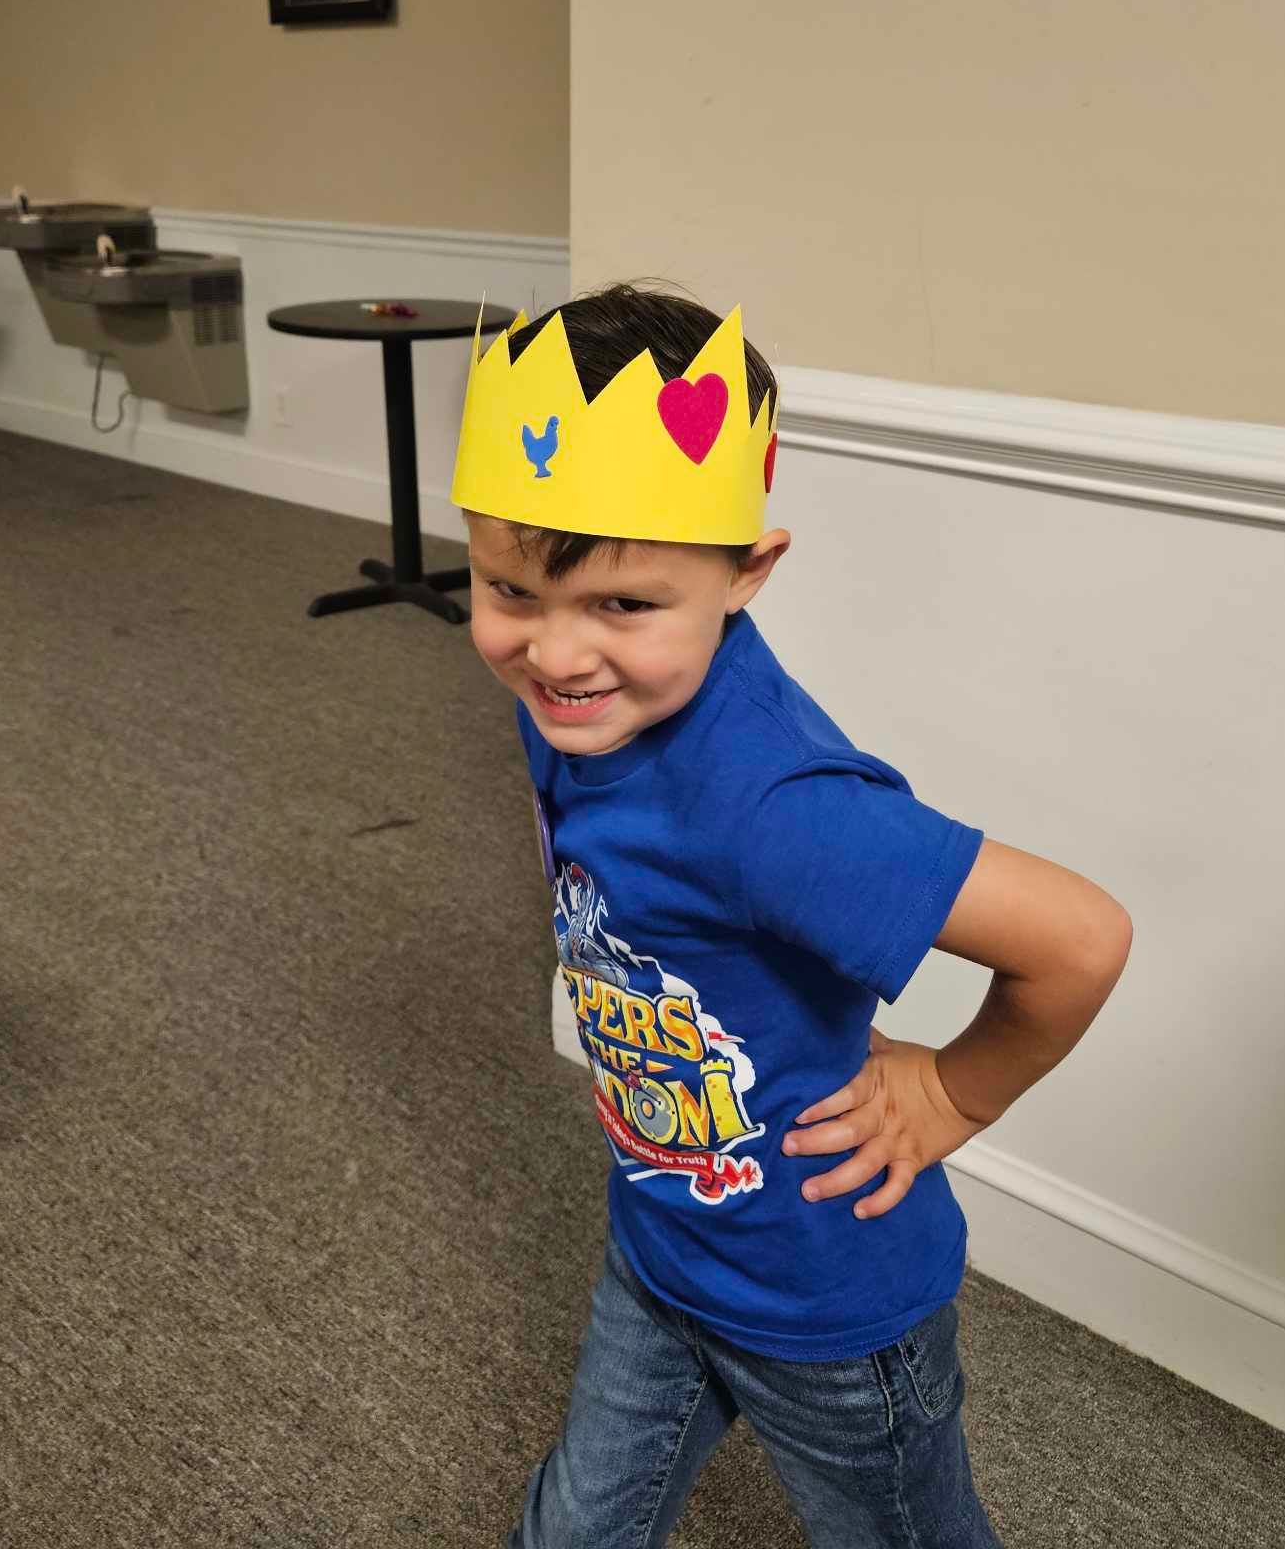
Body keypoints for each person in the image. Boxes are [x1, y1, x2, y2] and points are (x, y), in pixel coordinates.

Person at [449, 281, 1133, 1548]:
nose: (555, 653)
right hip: (662, 1235)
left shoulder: (775, 809)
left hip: (827, 1303)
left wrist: (952, 1091)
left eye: (624, 603)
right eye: (510, 589)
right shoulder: (577, 707)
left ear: (745, 572)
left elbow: (1079, 938)